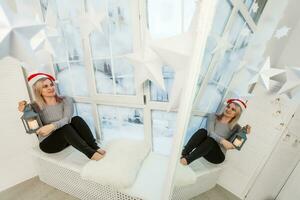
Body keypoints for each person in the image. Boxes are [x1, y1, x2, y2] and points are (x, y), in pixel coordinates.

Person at [18, 72, 106, 161]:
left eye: (51, 85)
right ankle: (92, 154)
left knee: (76, 119)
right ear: (39, 90)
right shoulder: (35, 106)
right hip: (48, 143)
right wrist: (23, 107)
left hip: (67, 138)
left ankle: (95, 147)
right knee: (65, 128)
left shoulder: (65, 100)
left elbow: (66, 119)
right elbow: (27, 114)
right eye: (45, 86)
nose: (50, 88)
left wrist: (52, 126)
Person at [180, 99, 251, 165]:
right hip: (203, 149)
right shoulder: (213, 116)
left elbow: (233, 145)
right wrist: (222, 140)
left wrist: (243, 131)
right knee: (203, 131)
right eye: (228, 106)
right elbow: (210, 132)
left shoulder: (236, 127)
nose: (228, 109)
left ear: (236, 114)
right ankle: (183, 154)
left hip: (217, 155)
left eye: (233, 109)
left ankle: (186, 161)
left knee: (211, 140)